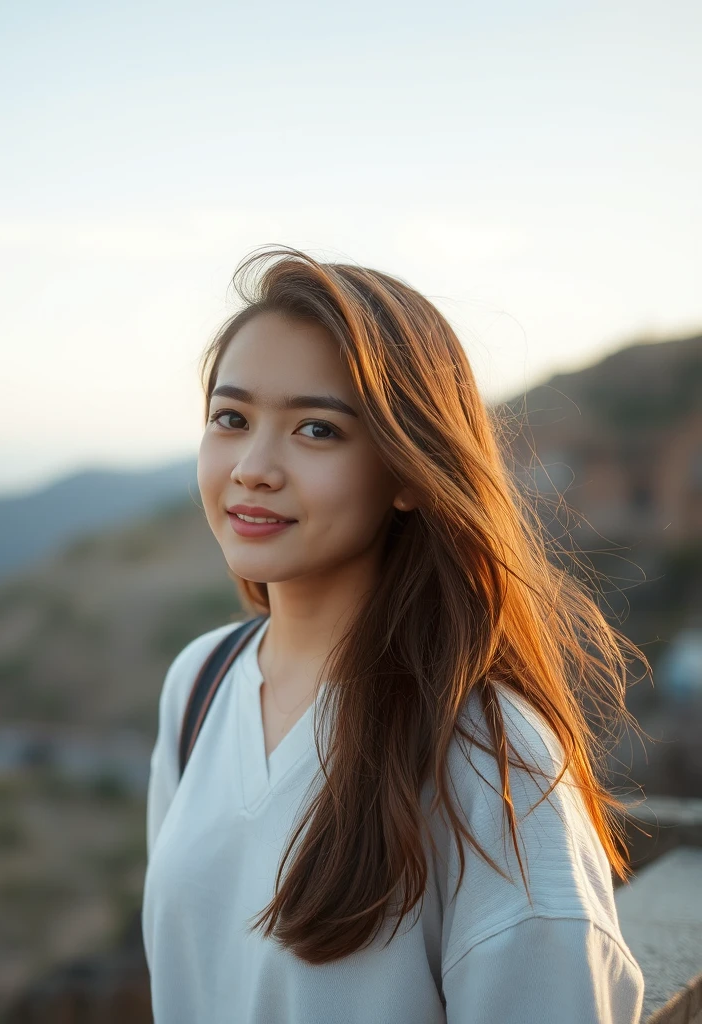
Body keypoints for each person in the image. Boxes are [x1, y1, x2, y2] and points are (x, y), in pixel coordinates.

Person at [141, 247, 647, 1023]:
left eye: (316, 429)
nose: (252, 467)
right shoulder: (201, 683)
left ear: (409, 471)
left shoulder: (490, 759)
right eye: (231, 419)